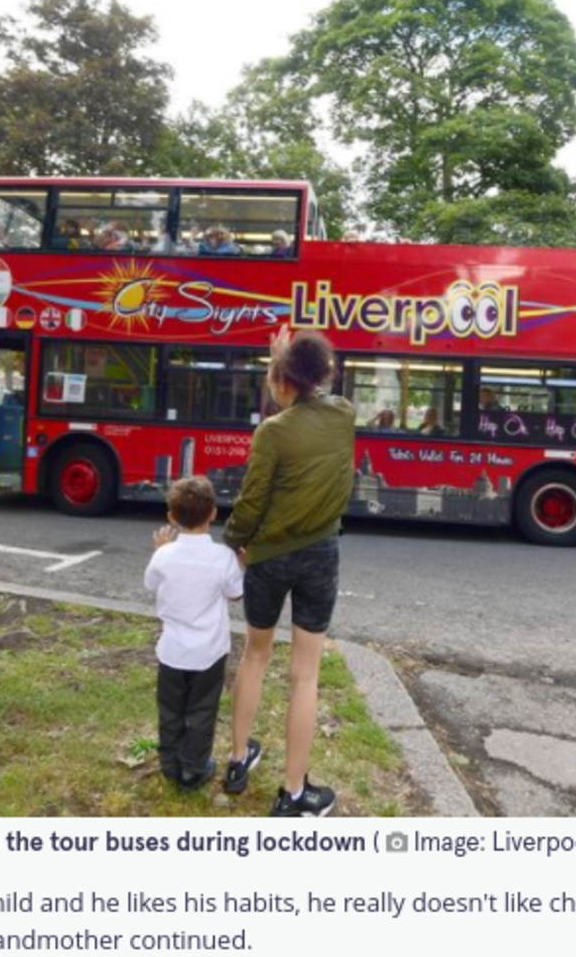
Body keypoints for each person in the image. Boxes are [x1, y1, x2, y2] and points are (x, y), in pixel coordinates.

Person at [221, 327, 355, 817]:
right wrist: (290, 358)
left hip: (268, 557)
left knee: (255, 656)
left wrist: (235, 541)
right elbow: (316, 389)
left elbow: (252, 502)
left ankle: (238, 760)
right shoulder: (344, 416)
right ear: (324, 373)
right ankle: (294, 794)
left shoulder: (271, 431)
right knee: (305, 676)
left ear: (281, 377)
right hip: (320, 554)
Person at [143, 476, 244, 790]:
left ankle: (170, 763)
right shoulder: (223, 557)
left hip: (171, 651)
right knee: (201, 712)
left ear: (171, 517)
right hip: (209, 652)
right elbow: (235, 594)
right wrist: (242, 564)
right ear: (213, 513)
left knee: (170, 710)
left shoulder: (164, 555)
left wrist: (161, 550)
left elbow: (151, 584)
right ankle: (194, 769)